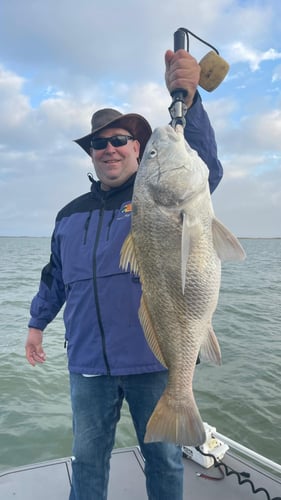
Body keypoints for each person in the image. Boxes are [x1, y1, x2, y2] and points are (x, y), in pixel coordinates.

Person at [25, 49, 223, 500]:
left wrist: (190, 101)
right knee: (88, 460)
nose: (109, 149)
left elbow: (202, 167)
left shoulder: (159, 195)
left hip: (153, 360)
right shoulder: (68, 215)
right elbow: (55, 276)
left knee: (164, 460)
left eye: (120, 140)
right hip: (89, 364)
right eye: (99, 143)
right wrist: (37, 324)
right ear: (92, 154)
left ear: (137, 147)